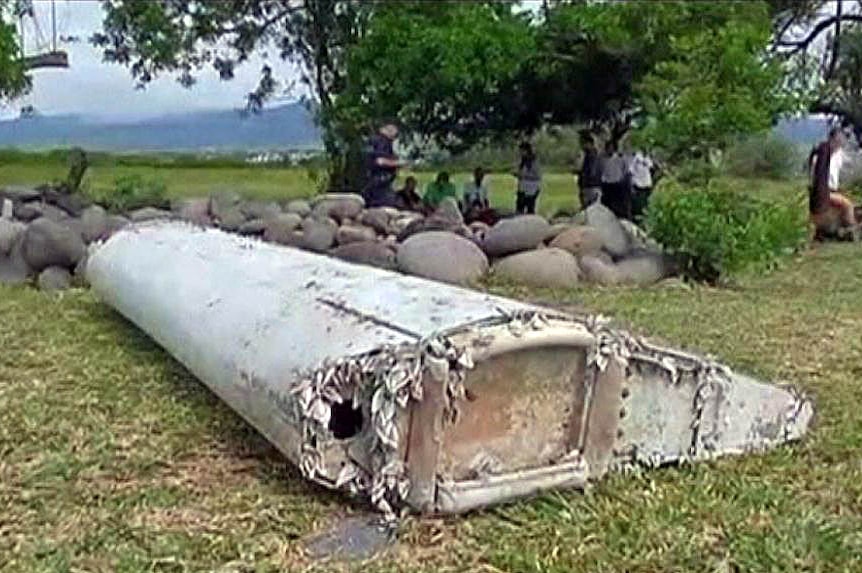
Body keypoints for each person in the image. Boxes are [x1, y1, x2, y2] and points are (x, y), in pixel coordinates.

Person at [808, 127, 858, 240]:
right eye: (838, 139)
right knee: (848, 205)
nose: (840, 142)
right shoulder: (821, 154)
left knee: (851, 203)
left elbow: (852, 162)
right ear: (832, 139)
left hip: (833, 190)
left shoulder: (839, 154)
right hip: (823, 192)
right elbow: (815, 177)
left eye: (842, 140)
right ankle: (853, 231)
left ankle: (840, 230)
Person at [362, 121, 404, 208]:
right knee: (390, 206)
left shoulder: (372, 141)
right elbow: (380, 161)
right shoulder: (383, 141)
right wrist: (398, 163)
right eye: (395, 132)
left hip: (371, 182)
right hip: (381, 183)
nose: (395, 136)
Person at [600, 140, 631, 220]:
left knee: (618, 206)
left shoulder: (620, 158)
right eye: (608, 148)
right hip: (607, 185)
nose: (610, 150)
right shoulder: (603, 159)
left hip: (617, 185)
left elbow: (626, 171)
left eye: (611, 148)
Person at [577, 132, 603, 210]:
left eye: (583, 143)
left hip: (591, 187)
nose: (581, 145)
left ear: (589, 143)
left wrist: (581, 174)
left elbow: (592, 171)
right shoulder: (589, 155)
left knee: (591, 210)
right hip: (589, 186)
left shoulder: (592, 155)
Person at [515, 142, 542, 214]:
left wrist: (524, 176)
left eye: (521, 151)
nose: (520, 153)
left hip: (531, 188)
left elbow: (537, 175)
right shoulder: (522, 161)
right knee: (519, 208)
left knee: (530, 208)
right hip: (522, 187)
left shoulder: (534, 161)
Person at [628, 149, 655, 221]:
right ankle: (635, 217)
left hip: (646, 184)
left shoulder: (648, 158)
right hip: (637, 183)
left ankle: (644, 217)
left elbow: (651, 168)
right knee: (636, 202)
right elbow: (631, 170)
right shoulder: (636, 157)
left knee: (645, 202)